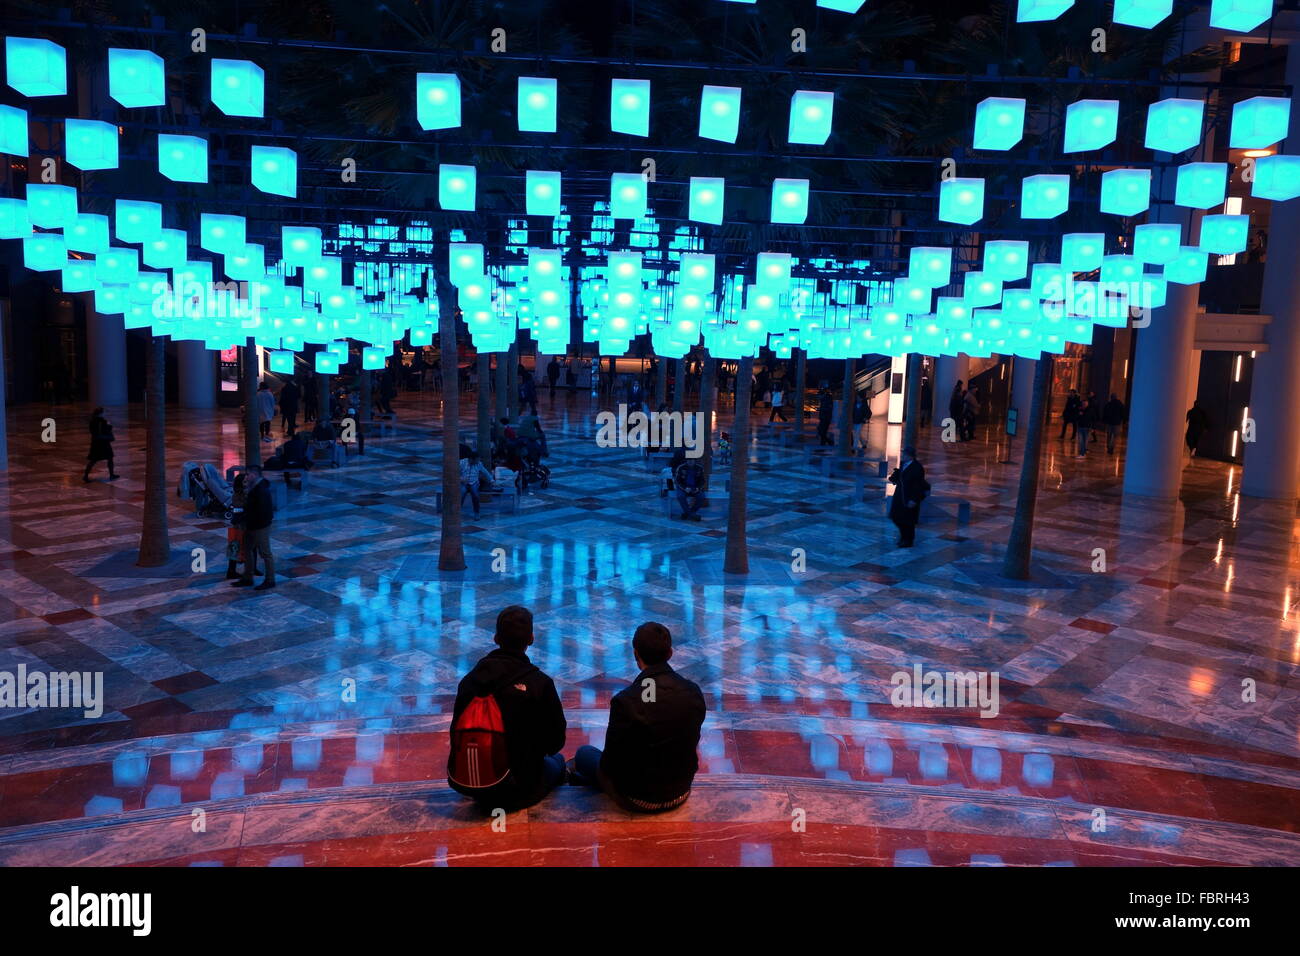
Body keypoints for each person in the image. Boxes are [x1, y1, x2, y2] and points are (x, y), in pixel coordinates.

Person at [569, 622, 706, 813]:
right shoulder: (693, 691)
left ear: (636, 654)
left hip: (638, 798)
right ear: (670, 654)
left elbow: (610, 763)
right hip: (681, 791)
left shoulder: (626, 701)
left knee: (584, 754)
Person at [447, 605, 567, 811]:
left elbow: (455, 734)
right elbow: (555, 742)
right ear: (531, 639)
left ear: (496, 638)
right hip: (521, 789)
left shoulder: (469, 682)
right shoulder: (540, 683)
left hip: (475, 787)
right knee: (559, 761)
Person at [232, 465, 276, 591]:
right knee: (247, 550)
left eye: (247, 474)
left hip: (259, 526)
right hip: (252, 525)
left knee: (265, 553)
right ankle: (247, 577)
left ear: (254, 475)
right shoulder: (255, 487)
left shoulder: (261, 490)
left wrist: (248, 519)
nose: (246, 477)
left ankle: (270, 580)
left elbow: (261, 511)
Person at [888, 446, 928, 548]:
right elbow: (898, 478)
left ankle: (908, 540)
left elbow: (919, 485)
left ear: (910, 456)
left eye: (904, 454)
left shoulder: (917, 468)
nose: (902, 456)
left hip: (910, 497)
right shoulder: (903, 464)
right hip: (900, 496)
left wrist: (914, 499)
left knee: (908, 520)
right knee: (896, 517)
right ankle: (903, 537)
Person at [83, 407, 119, 482]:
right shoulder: (103, 421)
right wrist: (109, 426)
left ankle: (85, 475)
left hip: (95, 442)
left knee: (93, 460)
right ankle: (111, 474)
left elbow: (93, 431)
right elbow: (107, 429)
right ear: (101, 413)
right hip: (104, 442)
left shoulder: (92, 421)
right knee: (110, 458)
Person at [459, 450, 496, 518]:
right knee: (461, 494)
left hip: (474, 482)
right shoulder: (462, 462)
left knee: (475, 495)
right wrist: (461, 478)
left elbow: (486, 473)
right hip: (464, 483)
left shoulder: (479, 464)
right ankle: (457, 512)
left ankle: (476, 513)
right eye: (477, 460)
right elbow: (454, 473)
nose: (478, 461)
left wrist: (492, 480)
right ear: (471, 459)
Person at [674, 455, 706, 521]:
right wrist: (685, 488)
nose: (690, 462)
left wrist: (698, 488)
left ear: (694, 461)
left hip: (695, 487)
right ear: (686, 461)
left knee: (701, 497)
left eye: (692, 460)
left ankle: (687, 513)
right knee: (680, 496)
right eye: (688, 460)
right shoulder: (681, 468)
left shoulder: (699, 468)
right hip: (683, 487)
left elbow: (702, 481)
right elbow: (677, 480)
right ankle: (692, 515)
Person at [1075, 394, 1098, 458]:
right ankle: (1082, 453)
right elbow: (1076, 418)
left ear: (1088, 404)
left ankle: (1083, 453)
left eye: (1085, 404)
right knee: (1081, 441)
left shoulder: (1091, 410)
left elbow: (1094, 419)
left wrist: (1093, 428)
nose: (1084, 405)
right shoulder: (1080, 410)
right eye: (1083, 404)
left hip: (1087, 428)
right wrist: (1079, 415)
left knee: (1085, 441)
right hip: (1080, 427)